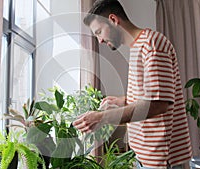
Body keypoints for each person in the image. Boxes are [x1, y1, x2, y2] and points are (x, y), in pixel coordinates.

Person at [72, 0, 192, 168]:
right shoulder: (138, 47)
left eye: (99, 32)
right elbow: (152, 94)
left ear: (113, 20)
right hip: (145, 157)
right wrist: (122, 100)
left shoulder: (152, 44)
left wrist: (101, 117)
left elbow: (158, 105)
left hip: (161, 161)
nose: (99, 40)